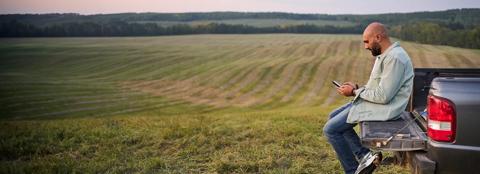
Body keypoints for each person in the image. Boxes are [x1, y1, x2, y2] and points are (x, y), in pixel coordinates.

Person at [323, 22, 414, 174]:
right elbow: (379, 88)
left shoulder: (394, 58)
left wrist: (353, 92)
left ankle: (353, 171)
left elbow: (384, 96)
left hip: (385, 108)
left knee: (330, 129)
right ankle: (365, 155)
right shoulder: (386, 55)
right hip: (377, 103)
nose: (365, 46)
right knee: (333, 116)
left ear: (378, 37)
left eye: (367, 41)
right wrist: (358, 88)